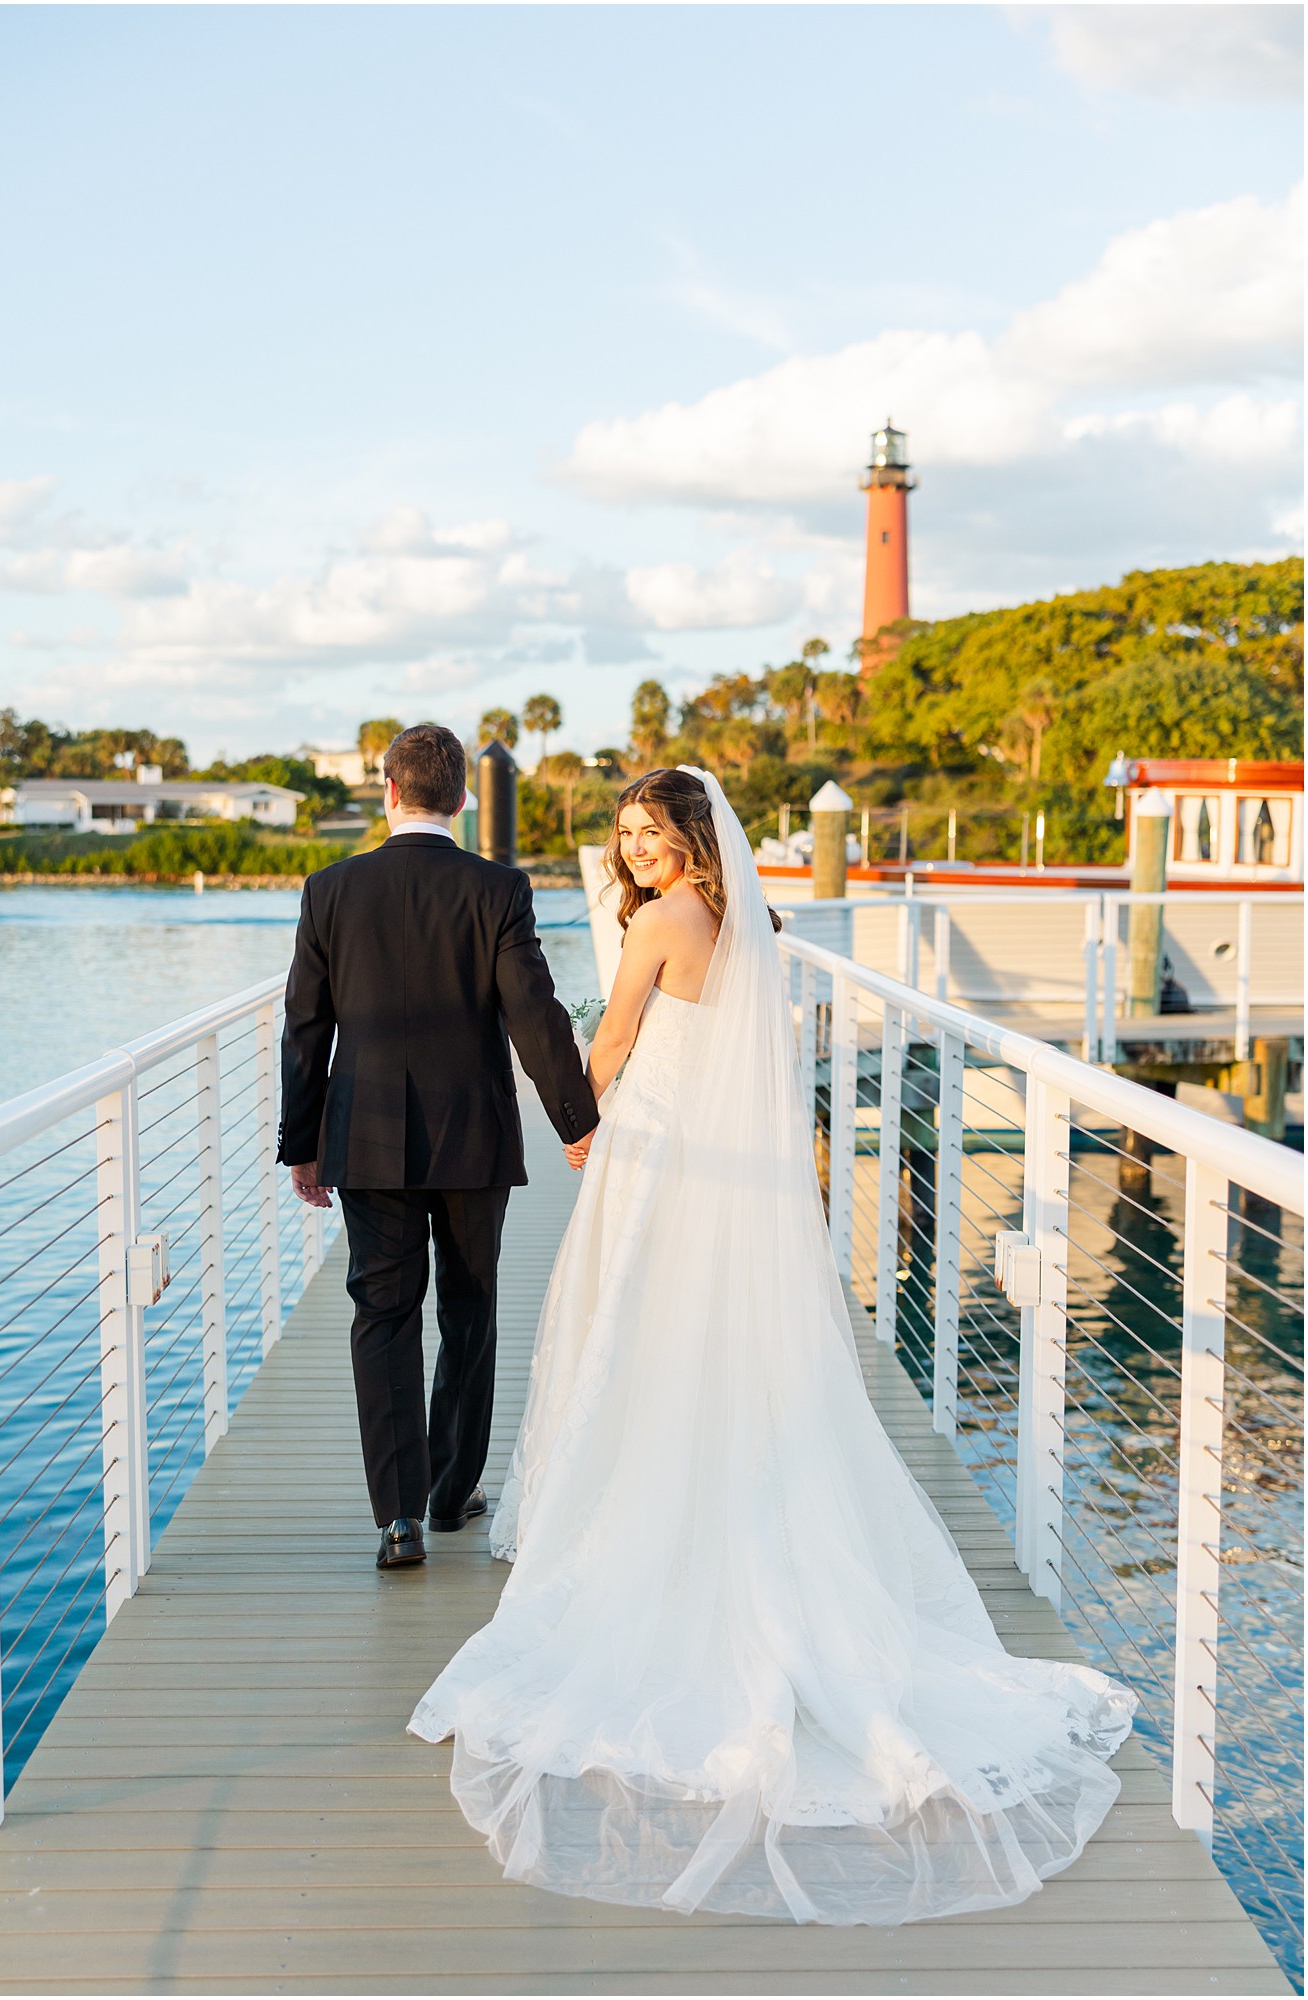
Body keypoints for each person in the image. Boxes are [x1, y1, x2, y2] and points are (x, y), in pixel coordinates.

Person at [410, 765, 1135, 1925]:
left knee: (631, 1328)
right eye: (626, 832)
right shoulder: (751, 917)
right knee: (707, 1339)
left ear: (688, 835)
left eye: (650, 831)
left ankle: (640, 1503)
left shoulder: (654, 921)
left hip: (656, 1150)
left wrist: (583, 1124)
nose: (635, 848)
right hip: (730, 1169)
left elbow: (608, 1045)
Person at [277, 722, 597, 1572]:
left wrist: (301, 1143)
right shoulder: (498, 888)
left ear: (388, 792)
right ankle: (453, 1492)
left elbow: (305, 1028)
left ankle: (398, 1521)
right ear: (462, 798)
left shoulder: (330, 889)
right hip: (472, 1136)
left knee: (382, 1314)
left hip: (367, 1136)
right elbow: (534, 1012)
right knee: (468, 1309)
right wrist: (578, 1121)